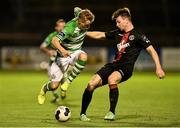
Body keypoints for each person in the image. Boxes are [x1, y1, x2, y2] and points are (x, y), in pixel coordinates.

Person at [80, 7, 165, 121]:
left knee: (112, 79)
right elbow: (100, 35)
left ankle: (111, 112)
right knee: (91, 84)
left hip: (126, 68)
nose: (116, 24)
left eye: (118, 21)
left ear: (126, 20)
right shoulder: (117, 33)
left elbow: (152, 50)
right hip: (113, 65)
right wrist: (83, 32)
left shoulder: (138, 35)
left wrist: (158, 68)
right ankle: (83, 114)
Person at [38, 7, 95, 105]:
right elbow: (54, 41)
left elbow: (76, 8)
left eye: (89, 24)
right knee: (54, 86)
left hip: (75, 52)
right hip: (62, 57)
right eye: (86, 25)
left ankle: (67, 83)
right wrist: (63, 50)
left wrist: (80, 11)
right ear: (80, 22)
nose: (88, 27)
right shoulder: (70, 28)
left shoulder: (80, 16)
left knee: (83, 56)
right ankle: (43, 89)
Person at [39, 19, 66, 102]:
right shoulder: (52, 36)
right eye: (60, 26)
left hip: (65, 61)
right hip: (53, 61)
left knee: (63, 78)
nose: (62, 28)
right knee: (53, 80)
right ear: (56, 28)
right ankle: (56, 95)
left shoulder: (68, 35)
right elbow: (42, 47)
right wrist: (48, 51)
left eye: (64, 27)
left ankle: (63, 90)